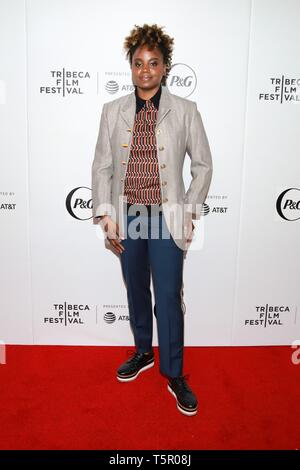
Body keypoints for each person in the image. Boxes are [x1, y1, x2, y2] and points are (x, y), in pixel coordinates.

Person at [91, 23, 213, 416]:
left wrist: (191, 209)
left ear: (165, 68)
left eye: (153, 63)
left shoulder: (186, 111)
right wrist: (106, 215)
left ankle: (174, 372)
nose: (145, 70)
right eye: (138, 63)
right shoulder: (113, 112)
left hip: (167, 216)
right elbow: (102, 168)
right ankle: (143, 351)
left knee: (168, 297)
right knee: (136, 291)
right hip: (127, 215)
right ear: (131, 67)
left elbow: (203, 166)